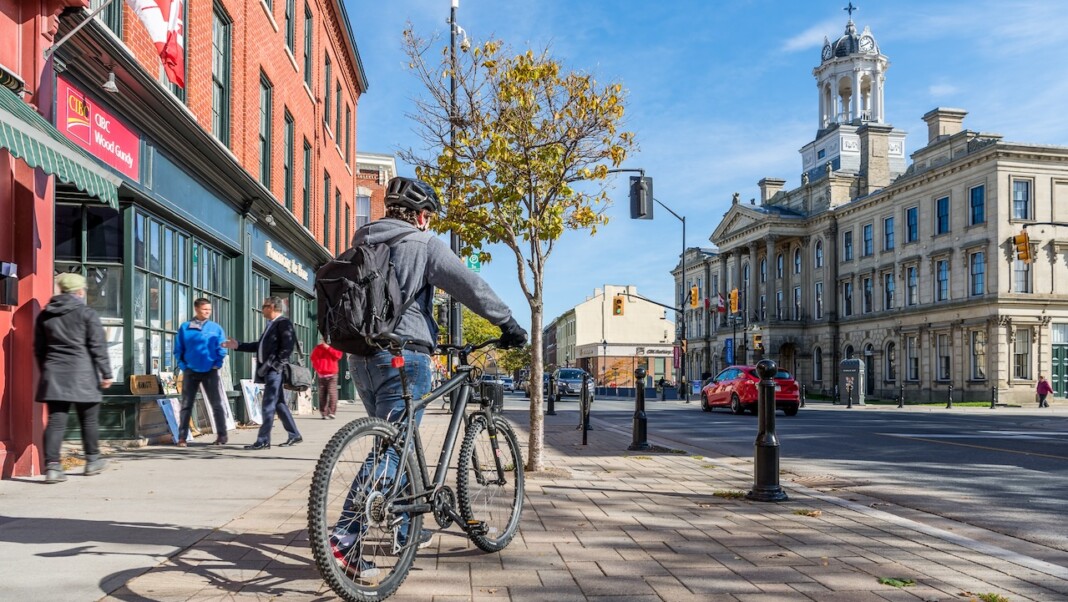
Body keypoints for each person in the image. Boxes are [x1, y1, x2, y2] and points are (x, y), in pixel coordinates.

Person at [332, 176, 528, 578]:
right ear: (421, 216)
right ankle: (344, 537)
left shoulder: (360, 243)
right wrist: (508, 323)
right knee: (392, 448)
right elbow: (470, 285)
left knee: (397, 440)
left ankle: (406, 526)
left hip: (361, 358)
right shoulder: (423, 244)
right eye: (430, 217)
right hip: (405, 357)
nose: (430, 223)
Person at [34, 272, 114, 483]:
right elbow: (98, 346)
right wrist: (106, 372)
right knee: (88, 420)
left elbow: (39, 349)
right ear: (79, 291)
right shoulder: (87, 313)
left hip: (54, 374)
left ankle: (52, 467)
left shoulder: (45, 315)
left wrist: (47, 370)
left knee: (55, 422)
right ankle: (92, 461)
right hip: (83, 374)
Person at [222, 296, 303, 449]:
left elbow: (287, 347)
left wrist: (276, 366)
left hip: (274, 371)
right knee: (278, 404)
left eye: (264, 306)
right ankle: (295, 434)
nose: (262, 309)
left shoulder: (283, 323)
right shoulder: (271, 325)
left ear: (272, 307)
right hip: (269, 370)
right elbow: (259, 346)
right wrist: (237, 345)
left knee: (267, 405)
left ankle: (263, 440)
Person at [173, 298, 230, 446]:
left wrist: (217, 363)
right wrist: (184, 366)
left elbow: (222, 347)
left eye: (209, 310)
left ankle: (222, 436)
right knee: (186, 404)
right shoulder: (185, 328)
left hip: (210, 371)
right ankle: (182, 438)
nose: (207, 312)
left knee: (216, 404)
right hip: (190, 371)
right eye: (205, 309)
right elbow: (178, 349)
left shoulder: (215, 328)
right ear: (197, 309)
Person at [311, 338, 343, 419]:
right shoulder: (318, 348)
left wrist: (328, 348)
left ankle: (332, 412)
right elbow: (313, 358)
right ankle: (324, 413)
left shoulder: (335, 347)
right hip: (322, 375)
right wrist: (318, 368)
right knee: (322, 395)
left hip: (332, 375)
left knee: (332, 394)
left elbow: (338, 356)